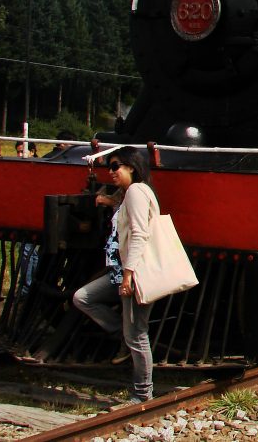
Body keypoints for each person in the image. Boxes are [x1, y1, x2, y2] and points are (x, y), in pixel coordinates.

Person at [73, 147, 158, 404]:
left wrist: (129, 275)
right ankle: (121, 332)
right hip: (119, 273)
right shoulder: (127, 194)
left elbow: (140, 234)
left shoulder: (136, 192)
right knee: (83, 297)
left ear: (131, 166)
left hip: (135, 274)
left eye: (115, 167)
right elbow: (124, 210)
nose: (110, 172)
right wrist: (108, 201)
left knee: (138, 334)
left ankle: (143, 393)